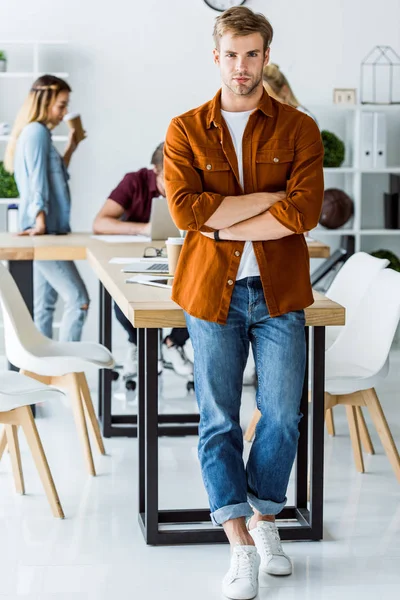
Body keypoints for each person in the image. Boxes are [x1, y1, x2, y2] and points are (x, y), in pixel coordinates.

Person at [164, 6, 324, 600]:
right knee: (221, 419)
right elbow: (186, 212)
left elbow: (303, 212)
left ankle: (265, 519)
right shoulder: (184, 128)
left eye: (252, 54)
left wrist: (221, 217)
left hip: (280, 292)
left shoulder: (298, 128)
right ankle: (239, 545)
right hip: (210, 294)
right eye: (231, 54)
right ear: (216, 57)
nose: (241, 65)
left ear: (266, 57)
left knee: (283, 415)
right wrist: (265, 206)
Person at [93, 143, 193, 378]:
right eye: (169, 178)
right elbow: (100, 222)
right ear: (155, 171)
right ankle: (137, 343)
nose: (175, 185)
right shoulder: (134, 181)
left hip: (181, 256)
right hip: (138, 256)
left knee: (200, 292)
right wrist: (143, 228)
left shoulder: (192, 186)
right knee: (122, 294)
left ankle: (173, 342)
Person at [4, 75, 89, 342]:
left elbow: (53, 176)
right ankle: (68, 370)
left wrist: (72, 146)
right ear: (45, 102)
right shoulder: (37, 132)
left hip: (47, 230)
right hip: (44, 232)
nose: (64, 112)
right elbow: (36, 180)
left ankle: (43, 373)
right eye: (61, 106)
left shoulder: (35, 133)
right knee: (78, 300)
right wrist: (40, 223)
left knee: (45, 307)